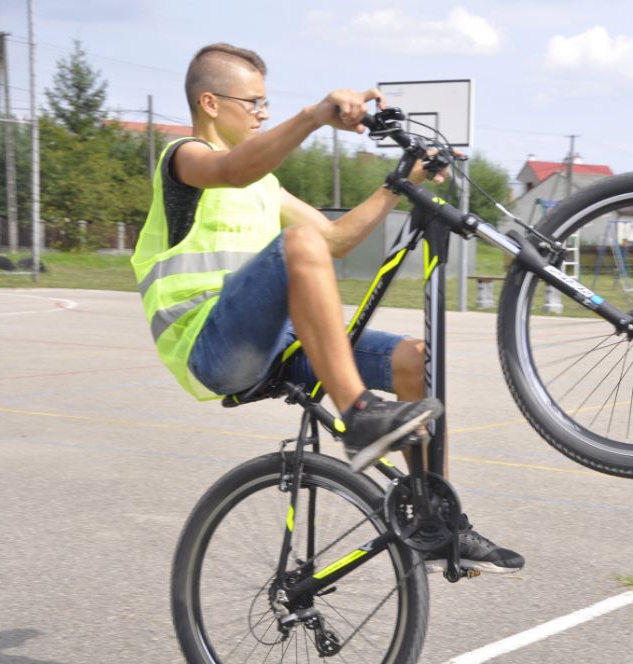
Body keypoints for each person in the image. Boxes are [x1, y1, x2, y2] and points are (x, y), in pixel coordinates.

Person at [131, 43, 523, 574]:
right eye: (255, 103)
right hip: (212, 348)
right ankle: (359, 414)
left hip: (275, 344)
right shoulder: (184, 159)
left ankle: (432, 527)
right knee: (297, 245)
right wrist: (313, 116)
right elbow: (232, 169)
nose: (263, 113)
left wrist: (398, 184)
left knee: (415, 358)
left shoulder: (263, 186)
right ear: (211, 103)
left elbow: (337, 239)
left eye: (267, 103)